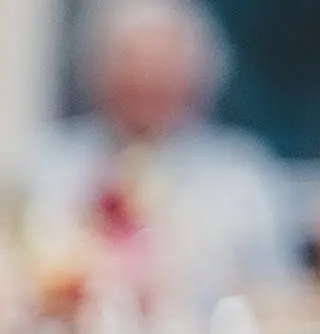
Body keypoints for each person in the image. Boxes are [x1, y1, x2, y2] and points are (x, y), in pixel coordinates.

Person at [26, 0, 298, 302]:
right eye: (132, 64)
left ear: (199, 78)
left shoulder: (242, 176)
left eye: (165, 67)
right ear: (98, 73)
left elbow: (278, 298)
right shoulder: (48, 166)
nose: (148, 80)